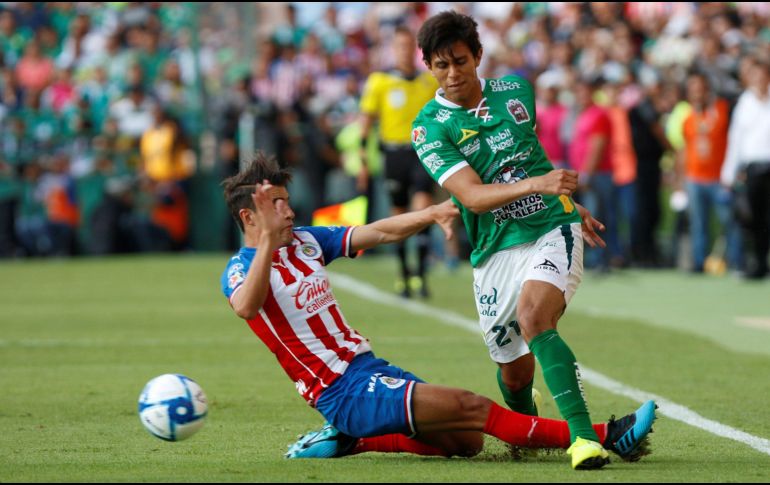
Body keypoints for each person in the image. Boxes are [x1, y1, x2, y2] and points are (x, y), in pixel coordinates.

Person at [220, 153, 657, 470]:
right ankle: (603, 435)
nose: (288, 209)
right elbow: (246, 306)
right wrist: (264, 247)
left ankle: (351, 443)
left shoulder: (306, 242)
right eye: (274, 204)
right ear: (249, 215)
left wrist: (432, 212)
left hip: (366, 367)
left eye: (284, 200)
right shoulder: (241, 269)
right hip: (339, 391)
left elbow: (377, 232)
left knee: (466, 443)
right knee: (474, 407)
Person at [409, 11, 626, 469]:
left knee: (534, 317)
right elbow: (470, 195)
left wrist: (565, 200)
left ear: (478, 57)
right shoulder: (429, 127)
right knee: (512, 369)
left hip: (552, 225)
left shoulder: (516, 91)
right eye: (441, 65)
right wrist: (539, 185)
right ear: (427, 65)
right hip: (493, 247)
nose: (452, 74)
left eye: (461, 62)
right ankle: (527, 431)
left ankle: (584, 440)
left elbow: (530, 159)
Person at [358, 25, 439, 298]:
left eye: (409, 46)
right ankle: (405, 274)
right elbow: (366, 121)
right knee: (400, 218)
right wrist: (362, 158)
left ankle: (422, 276)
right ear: (393, 49)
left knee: (422, 210)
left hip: (421, 152)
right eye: (400, 46)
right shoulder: (379, 81)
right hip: (393, 155)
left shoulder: (428, 81)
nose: (405, 51)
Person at [721, 60, 770, 280]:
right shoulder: (745, 102)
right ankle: (758, 262)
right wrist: (729, 171)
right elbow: (736, 139)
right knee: (754, 218)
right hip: (754, 168)